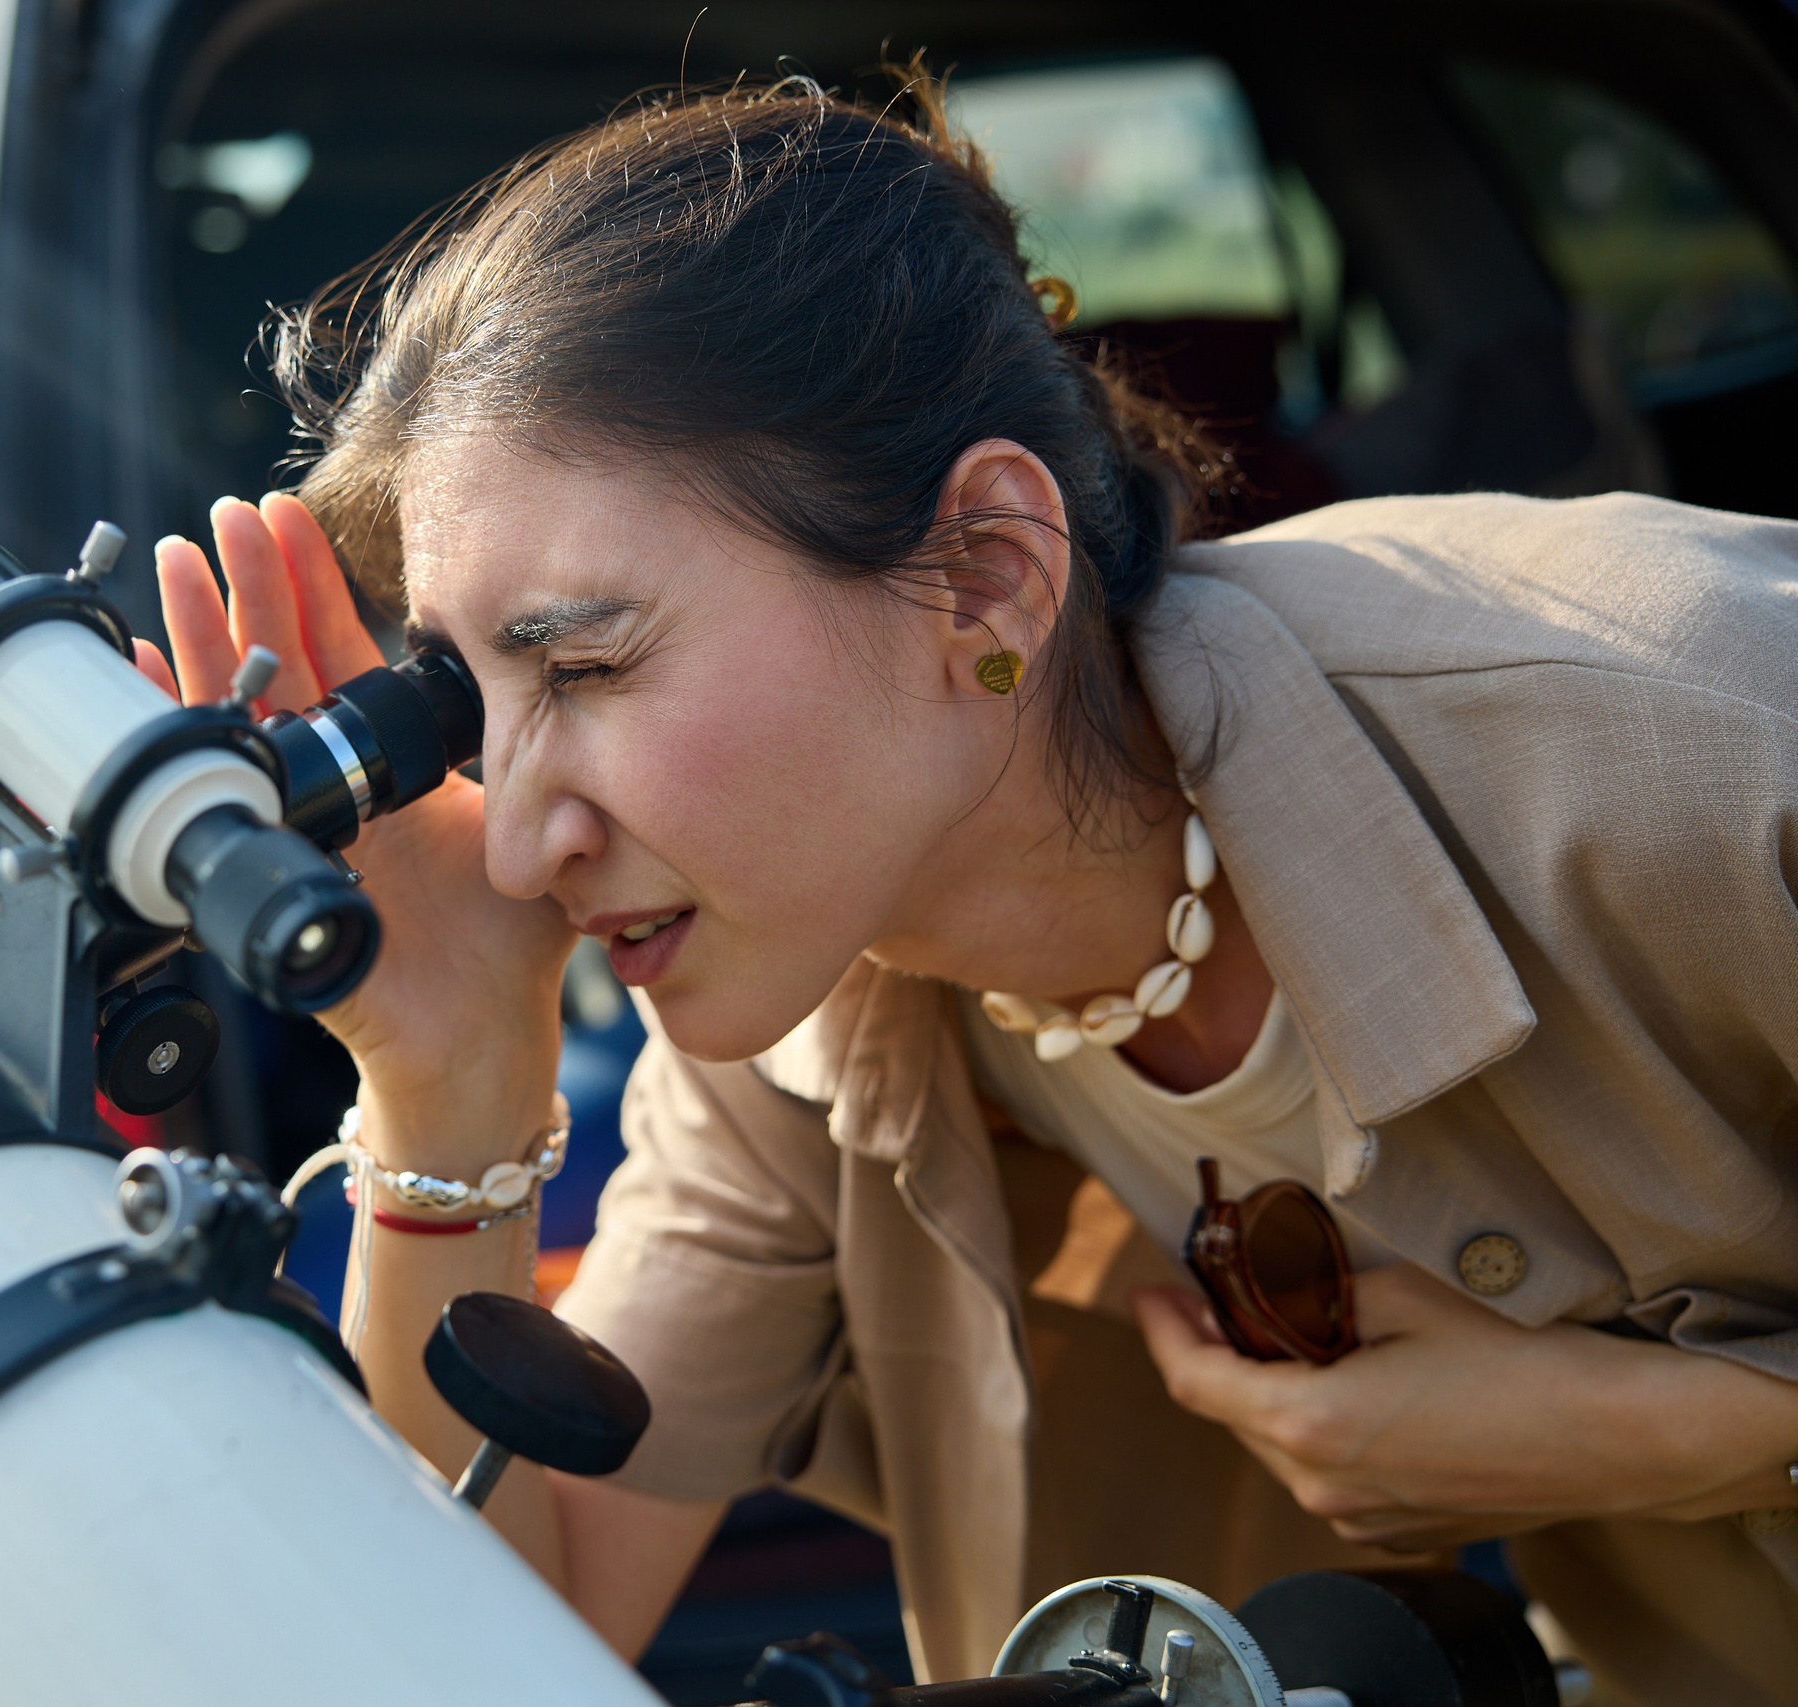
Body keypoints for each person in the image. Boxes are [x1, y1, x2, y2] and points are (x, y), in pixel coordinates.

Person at [128, 73, 1798, 1707]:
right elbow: (485, 1642)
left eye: (591, 665)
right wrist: (444, 1070)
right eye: (477, 701)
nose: (516, 839)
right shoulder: (790, 1022)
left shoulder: (1693, 738)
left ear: (984, 577)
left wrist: (1699, 1431)